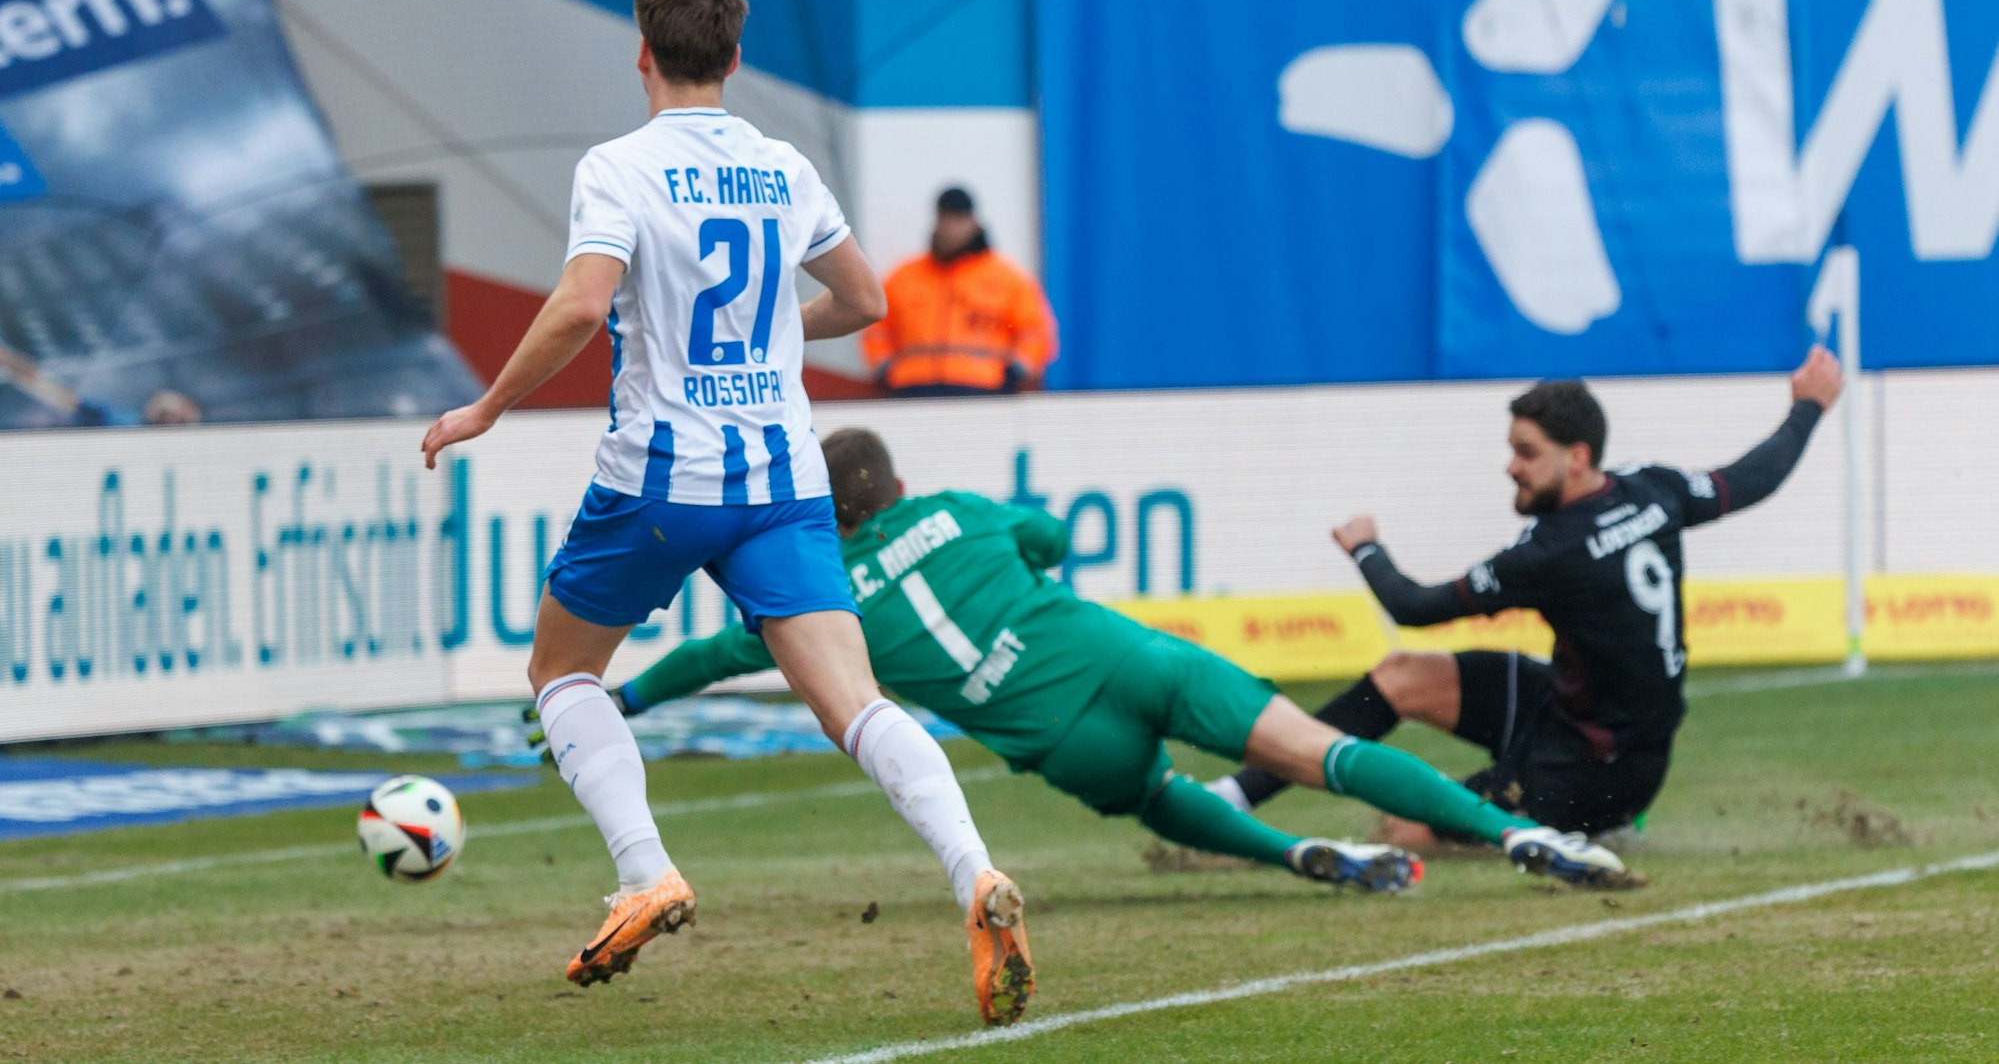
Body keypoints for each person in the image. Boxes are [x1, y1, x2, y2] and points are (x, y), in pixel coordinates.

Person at [419, 0, 1032, 1026]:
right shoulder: (781, 165)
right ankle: (974, 868)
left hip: (663, 474)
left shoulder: (621, 165)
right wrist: (771, 336)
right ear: (736, 55)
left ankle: (646, 867)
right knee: (856, 704)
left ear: (642, 51)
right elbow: (865, 298)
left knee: (561, 669)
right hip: (783, 477)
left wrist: (484, 409)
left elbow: (578, 305)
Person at [549, 428, 1633, 893]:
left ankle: (1288, 856)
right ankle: (1521, 831)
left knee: (1154, 793)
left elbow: (707, 656)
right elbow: (1052, 540)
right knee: (1325, 748)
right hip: (1118, 655)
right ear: (896, 485)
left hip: (1056, 734)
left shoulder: (820, 600)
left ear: (826, 516)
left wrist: (615, 691)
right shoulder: (960, 511)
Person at [1212, 348, 1845, 851]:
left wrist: (1365, 549)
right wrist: (1808, 408)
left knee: (1403, 834)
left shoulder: (1551, 554)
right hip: (1571, 715)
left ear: (1576, 458)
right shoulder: (1652, 490)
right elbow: (1756, 477)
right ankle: (1232, 799)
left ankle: (1597, 824)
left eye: (1525, 453)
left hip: (1597, 772)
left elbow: (1414, 606)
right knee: (1400, 677)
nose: (1511, 467)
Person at [860, 187, 1058, 396]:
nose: (951, 227)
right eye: (945, 218)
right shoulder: (903, 277)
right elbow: (876, 328)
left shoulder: (1007, 278)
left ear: (974, 223)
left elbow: (1036, 332)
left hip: (984, 390)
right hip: (912, 389)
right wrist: (884, 368)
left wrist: (1015, 371)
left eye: (958, 219)